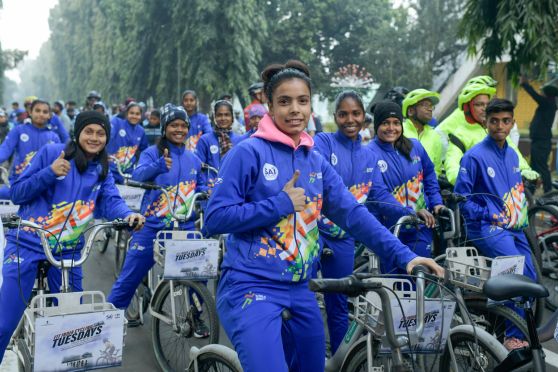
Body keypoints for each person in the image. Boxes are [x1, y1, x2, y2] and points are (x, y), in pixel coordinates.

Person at [204, 60, 443, 371]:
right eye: (284, 101)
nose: (295, 110)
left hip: (301, 288)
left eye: (302, 101)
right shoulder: (248, 152)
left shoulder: (314, 160)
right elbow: (215, 218)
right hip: (251, 287)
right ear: (269, 104)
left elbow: (354, 214)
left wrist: (406, 256)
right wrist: (279, 204)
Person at [0, 111, 145, 361]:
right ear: (77, 133)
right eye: (88, 131)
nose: (94, 137)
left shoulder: (102, 169)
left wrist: (128, 216)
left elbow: (112, 200)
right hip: (27, 244)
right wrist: (50, 172)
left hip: (68, 252)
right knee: (3, 324)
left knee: (73, 327)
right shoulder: (52, 153)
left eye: (100, 133)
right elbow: (18, 194)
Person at [312, 90, 415, 354]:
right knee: (305, 303)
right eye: (343, 114)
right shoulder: (322, 142)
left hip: (344, 238)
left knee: (338, 306)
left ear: (364, 118)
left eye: (355, 113)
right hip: (313, 234)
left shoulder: (370, 156)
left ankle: (338, 359)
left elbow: (378, 193)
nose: (350, 119)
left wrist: (409, 212)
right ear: (335, 117)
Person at [108, 104, 208, 333]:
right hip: (152, 227)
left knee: (200, 273)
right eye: (174, 125)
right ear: (164, 128)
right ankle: (108, 322)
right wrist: (159, 166)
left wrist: (205, 193)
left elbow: (199, 185)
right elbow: (138, 175)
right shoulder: (152, 153)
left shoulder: (193, 158)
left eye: (184, 126)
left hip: (185, 225)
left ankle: (196, 315)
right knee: (129, 277)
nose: (179, 130)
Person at [454, 98, 535, 350]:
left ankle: (518, 329)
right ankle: (511, 337)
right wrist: (489, 216)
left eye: (506, 121)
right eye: (494, 121)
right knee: (514, 271)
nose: (500, 126)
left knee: (531, 276)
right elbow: (462, 200)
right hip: (484, 228)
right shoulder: (474, 156)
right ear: (485, 122)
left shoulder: (512, 153)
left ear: (512, 123)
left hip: (513, 227)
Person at [368, 100, 444, 274]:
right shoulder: (369, 153)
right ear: (377, 124)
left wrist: (436, 202)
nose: (391, 128)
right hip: (389, 231)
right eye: (385, 123)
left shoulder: (415, 147)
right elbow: (378, 195)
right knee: (396, 285)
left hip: (420, 227)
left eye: (396, 123)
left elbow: (430, 175)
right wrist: (410, 212)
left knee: (421, 277)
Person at [439, 82, 536, 185]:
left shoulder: (496, 129)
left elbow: (512, 152)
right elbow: (452, 163)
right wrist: (463, 179)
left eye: (487, 104)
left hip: (503, 190)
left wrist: (524, 169)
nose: (484, 108)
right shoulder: (460, 135)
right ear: (468, 108)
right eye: (479, 104)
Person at [0, 100, 61, 199]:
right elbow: (4, 150)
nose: (41, 114)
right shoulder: (18, 130)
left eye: (45, 112)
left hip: (43, 184)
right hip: (18, 181)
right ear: (30, 112)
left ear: (49, 115)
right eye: (37, 110)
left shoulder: (54, 137)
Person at [520, 75, 558, 193]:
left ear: (547, 94)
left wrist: (525, 84)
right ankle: (531, 190)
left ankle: (548, 190)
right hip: (539, 141)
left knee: (541, 166)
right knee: (535, 167)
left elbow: (535, 96)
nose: (541, 94)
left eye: (543, 92)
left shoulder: (548, 104)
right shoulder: (548, 104)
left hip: (542, 141)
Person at [401, 89, 444, 176]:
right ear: (410, 111)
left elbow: (436, 169)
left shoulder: (435, 136)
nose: (430, 109)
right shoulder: (399, 130)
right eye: (425, 105)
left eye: (431, 106)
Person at [106, 102, 149, 184]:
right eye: (131, 113)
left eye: (137, 114)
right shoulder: (116, 123)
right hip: (111, 169)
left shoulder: (141, 131)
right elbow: (107, 137)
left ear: (141, 116)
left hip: (128, 173)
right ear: (126, 114)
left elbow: (144, 151)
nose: (134, 116)